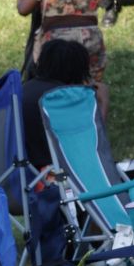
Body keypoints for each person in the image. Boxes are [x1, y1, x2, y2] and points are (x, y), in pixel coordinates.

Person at [17, 0, 105, 106]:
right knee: (91, 85)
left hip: (57, 39)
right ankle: (95, 121)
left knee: (53, 85)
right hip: (92, 37)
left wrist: (19, 1)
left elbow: (24, 9)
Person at [22, 39, 92, 171]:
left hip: (25, 171)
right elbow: (93, 146)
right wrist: (102, 101)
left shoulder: (24, 89)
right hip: (56, 173)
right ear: (78, 70)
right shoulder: (63, 99)